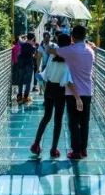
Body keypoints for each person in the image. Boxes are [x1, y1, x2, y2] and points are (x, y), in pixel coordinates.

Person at [29, 33, 80, 158]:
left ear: (58, 42)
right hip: (60, 90)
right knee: (58, 121)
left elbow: (48, 48)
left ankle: (36, 144)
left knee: (46, 117)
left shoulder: (52, 54)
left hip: (49, 88)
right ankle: (53, 149)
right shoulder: (69, 58)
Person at [49, 24, 95, 160]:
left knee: (73, 122)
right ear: (85, 36)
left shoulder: (70, 50)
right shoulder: (90, 51)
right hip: (87, 91)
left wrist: (55, 45)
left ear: (72, 37)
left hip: (72, 92)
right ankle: (83, 149)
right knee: (84, 122)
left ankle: (75, 151)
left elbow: (50, 50)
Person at [15, 34, 37, 103]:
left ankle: (19, 96)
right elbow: (34, 55)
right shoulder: (33, 47)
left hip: (21, 64)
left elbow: (19, 38)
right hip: (29, 65)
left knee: (20, 80)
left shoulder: (22, 44)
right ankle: (26, 97)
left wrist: (23, 35)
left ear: (27, 37)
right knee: (28, 81)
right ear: (33, 38)